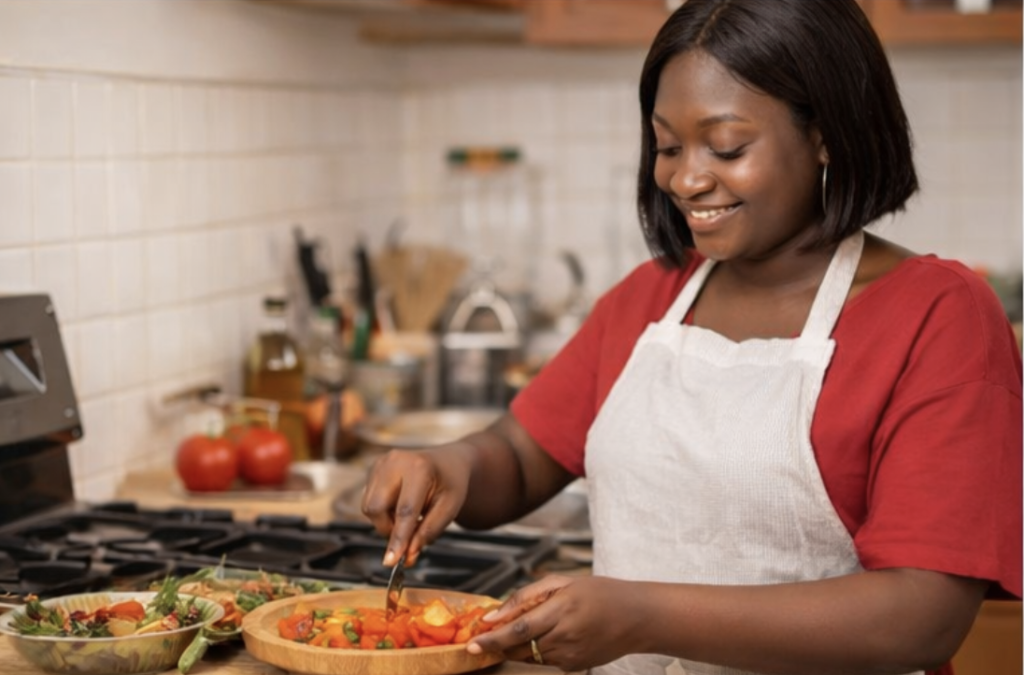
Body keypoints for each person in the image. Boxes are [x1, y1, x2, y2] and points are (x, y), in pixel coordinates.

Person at [360, 1, 1022, 673]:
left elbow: (922, 615)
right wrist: (450, 467)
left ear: (826, 134)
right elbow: (521, 455)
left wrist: (643, 616)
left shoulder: (937, 316)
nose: (685, 178)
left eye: (727, 147)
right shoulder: (653, 296)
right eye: (668, 145)